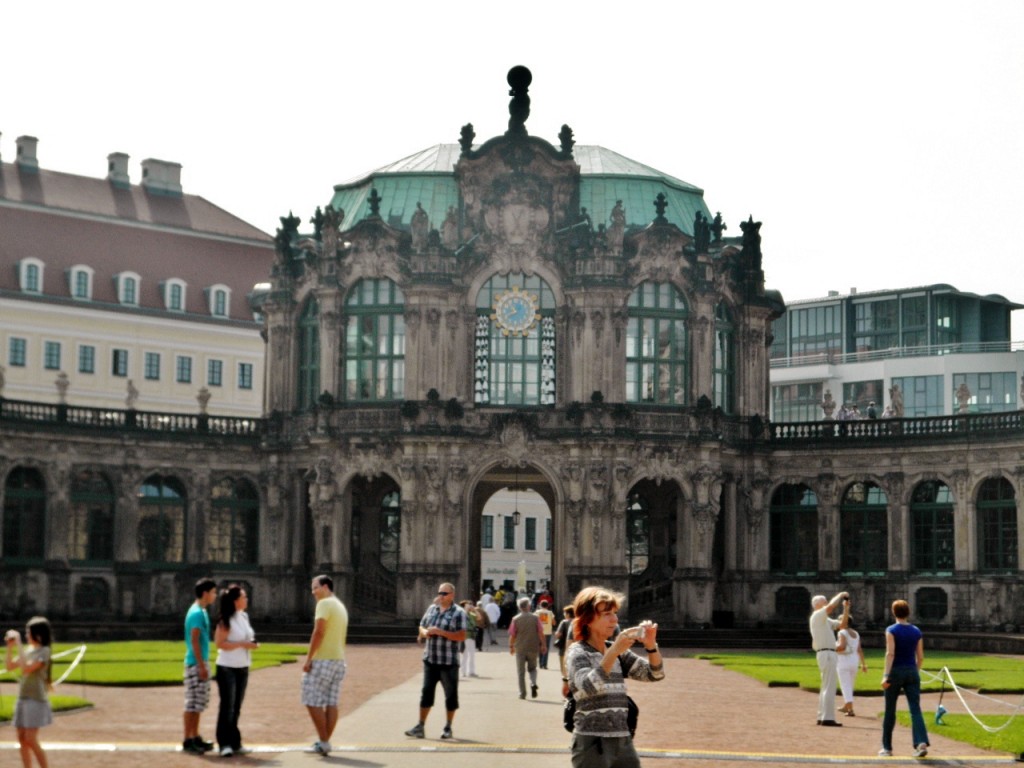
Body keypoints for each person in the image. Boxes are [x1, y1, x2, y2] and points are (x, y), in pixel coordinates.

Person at [565, 586, 664, 767]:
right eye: (607, 614)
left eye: (615, 613)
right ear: (588, 619)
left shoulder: (616, 650)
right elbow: (587, 687)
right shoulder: (578, 652)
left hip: (623, 740)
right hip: (592, 742)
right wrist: (614, 652)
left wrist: (651, 646)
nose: (614, 619)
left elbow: (655, 674)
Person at [405, 582, 466, 740]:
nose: (441, 596)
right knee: (426, 693)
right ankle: (420, 726)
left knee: (450, 695)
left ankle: (448, 727)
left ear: (452, 595)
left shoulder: (459, 612)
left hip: (448, 661)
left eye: (444, 593)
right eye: (440, 593)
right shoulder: (432, 609)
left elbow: (462, 635)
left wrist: (441, 632)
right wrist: (425, 632)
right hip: (431, 659)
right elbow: (421, 626)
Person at [302, 574, 349, 756]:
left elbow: (319, 632)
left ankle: (323, 741)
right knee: (331, 702)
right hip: (338, 660)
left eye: (315, 587)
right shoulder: (340, 606)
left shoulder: (324, 604)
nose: (313, 592)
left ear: (325, 587)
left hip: (323, 659)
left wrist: (309, 658)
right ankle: (324, 742)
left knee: (310, 700)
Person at [880, 599, 930, 758]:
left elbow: (890, 654)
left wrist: (886, 675)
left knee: (890, 710)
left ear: (893, 612)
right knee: (915, 709)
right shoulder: (916, 631)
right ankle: (921, 742)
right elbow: (920, 657)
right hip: (912, 671)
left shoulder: (891, 630)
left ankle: (887, 748)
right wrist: (915, 670)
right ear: (908, 612)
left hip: (895, 671)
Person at [214, 584, 259, 758]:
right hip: (227, 667)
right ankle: (224, 743)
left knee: (237, 707)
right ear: (235, 601)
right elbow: (220, 644)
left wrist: (251, 643)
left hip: (242, 666)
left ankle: (235, 742)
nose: (246, 599)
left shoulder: (244, 616)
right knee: (227, 706)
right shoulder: (225, 619)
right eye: (243, 597)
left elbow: (247, 637)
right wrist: (242, 644)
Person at [5, 617, 53, 768]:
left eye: (28, 633)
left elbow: (26, 668)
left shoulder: (44, 651)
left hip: (35, 699)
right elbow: (10, 666)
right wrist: (10, 648)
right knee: (21, 738)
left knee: (30, 738)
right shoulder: (28, 650)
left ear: (38, 635)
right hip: (23, 698)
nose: (26, 636)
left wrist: (19, 643)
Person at [183, 578, 218, 754]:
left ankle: (195, 736)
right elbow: (194, 640)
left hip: (198, 662)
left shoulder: (201, 611)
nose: (215, 596)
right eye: (213, 592)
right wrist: (201, 665)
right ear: (205, 593)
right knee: (192, 703)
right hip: (195, 663)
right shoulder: (197, 613)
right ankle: (188, 739)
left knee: (198, 703)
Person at [808, 590, 849, 727]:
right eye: (824, 601)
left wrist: (846, 608)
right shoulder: (817, 615)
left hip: (827, 653)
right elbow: (831, 607)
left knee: (826, 686)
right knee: (830, 686)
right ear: (817, 604)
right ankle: (828, 717)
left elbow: (842, 625)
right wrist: (840, 595)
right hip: (826, 653)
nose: (826, 603)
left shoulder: (825, 619)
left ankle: (822, 716)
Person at [509, 596, 545, 699]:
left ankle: (522, 693)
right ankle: (533, 682)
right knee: (532, 669)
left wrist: (511, 646)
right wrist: (543, 644)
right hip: (533, 647)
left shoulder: (515, 619)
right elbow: (540, 633)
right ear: (529, 606)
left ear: (519, 607)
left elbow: (513, 635)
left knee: (521, 672)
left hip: (520, 648)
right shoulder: (535, 618)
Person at [836, 616, 867, 717]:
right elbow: (859, 649)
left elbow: (841, 647)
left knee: (845, 685)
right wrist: (863, 664)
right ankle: (846, 706)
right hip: (854, 660)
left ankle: (850, 709)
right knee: (850, 685)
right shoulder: (856, 633)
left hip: (843, 661)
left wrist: (830, 648)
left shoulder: (842, 632)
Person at [553, 604, 575, 680]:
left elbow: (558, 634)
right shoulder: (578, 622)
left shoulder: (564, 622)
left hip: (564, 648)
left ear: (568, 614)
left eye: (565, 613)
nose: (564, 614)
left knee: (564, 668)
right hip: (576, 649)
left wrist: (557, 634)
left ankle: (566, 681)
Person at [459, 600, 479, 678]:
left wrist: (474, 609)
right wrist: (466, 610)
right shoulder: (461, 614)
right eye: (468, 604)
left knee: (471, 654)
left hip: (471, 636)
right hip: (464, 635)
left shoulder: (471, 614)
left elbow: (479, 617)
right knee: (465, 654)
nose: (470, 605)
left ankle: (470, 671)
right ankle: (464, 671)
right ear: (464, 606)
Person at [536, 599, 556, 669]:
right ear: (547, 606)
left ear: (540, 605)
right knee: (546, 647)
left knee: (539, 647)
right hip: (547, 632)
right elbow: (554, 623)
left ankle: (540, 663)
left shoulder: (537, 612)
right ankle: (544, 664)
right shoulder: (550, 613)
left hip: (539, 632)